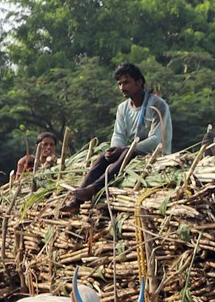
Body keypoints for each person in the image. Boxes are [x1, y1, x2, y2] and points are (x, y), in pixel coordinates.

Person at [63, 62, 173, 210]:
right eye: (119, 84)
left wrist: (125, 149)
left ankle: (95, 188)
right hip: (130, 151)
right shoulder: (123, 108)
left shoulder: (157, 105)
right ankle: (76, 200)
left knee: (126, 153)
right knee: (102, 158)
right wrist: (115, 149)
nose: (122, 87)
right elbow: (118, 134)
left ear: (139, 82)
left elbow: (156, 139)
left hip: (155, 154)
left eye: (126, 82)